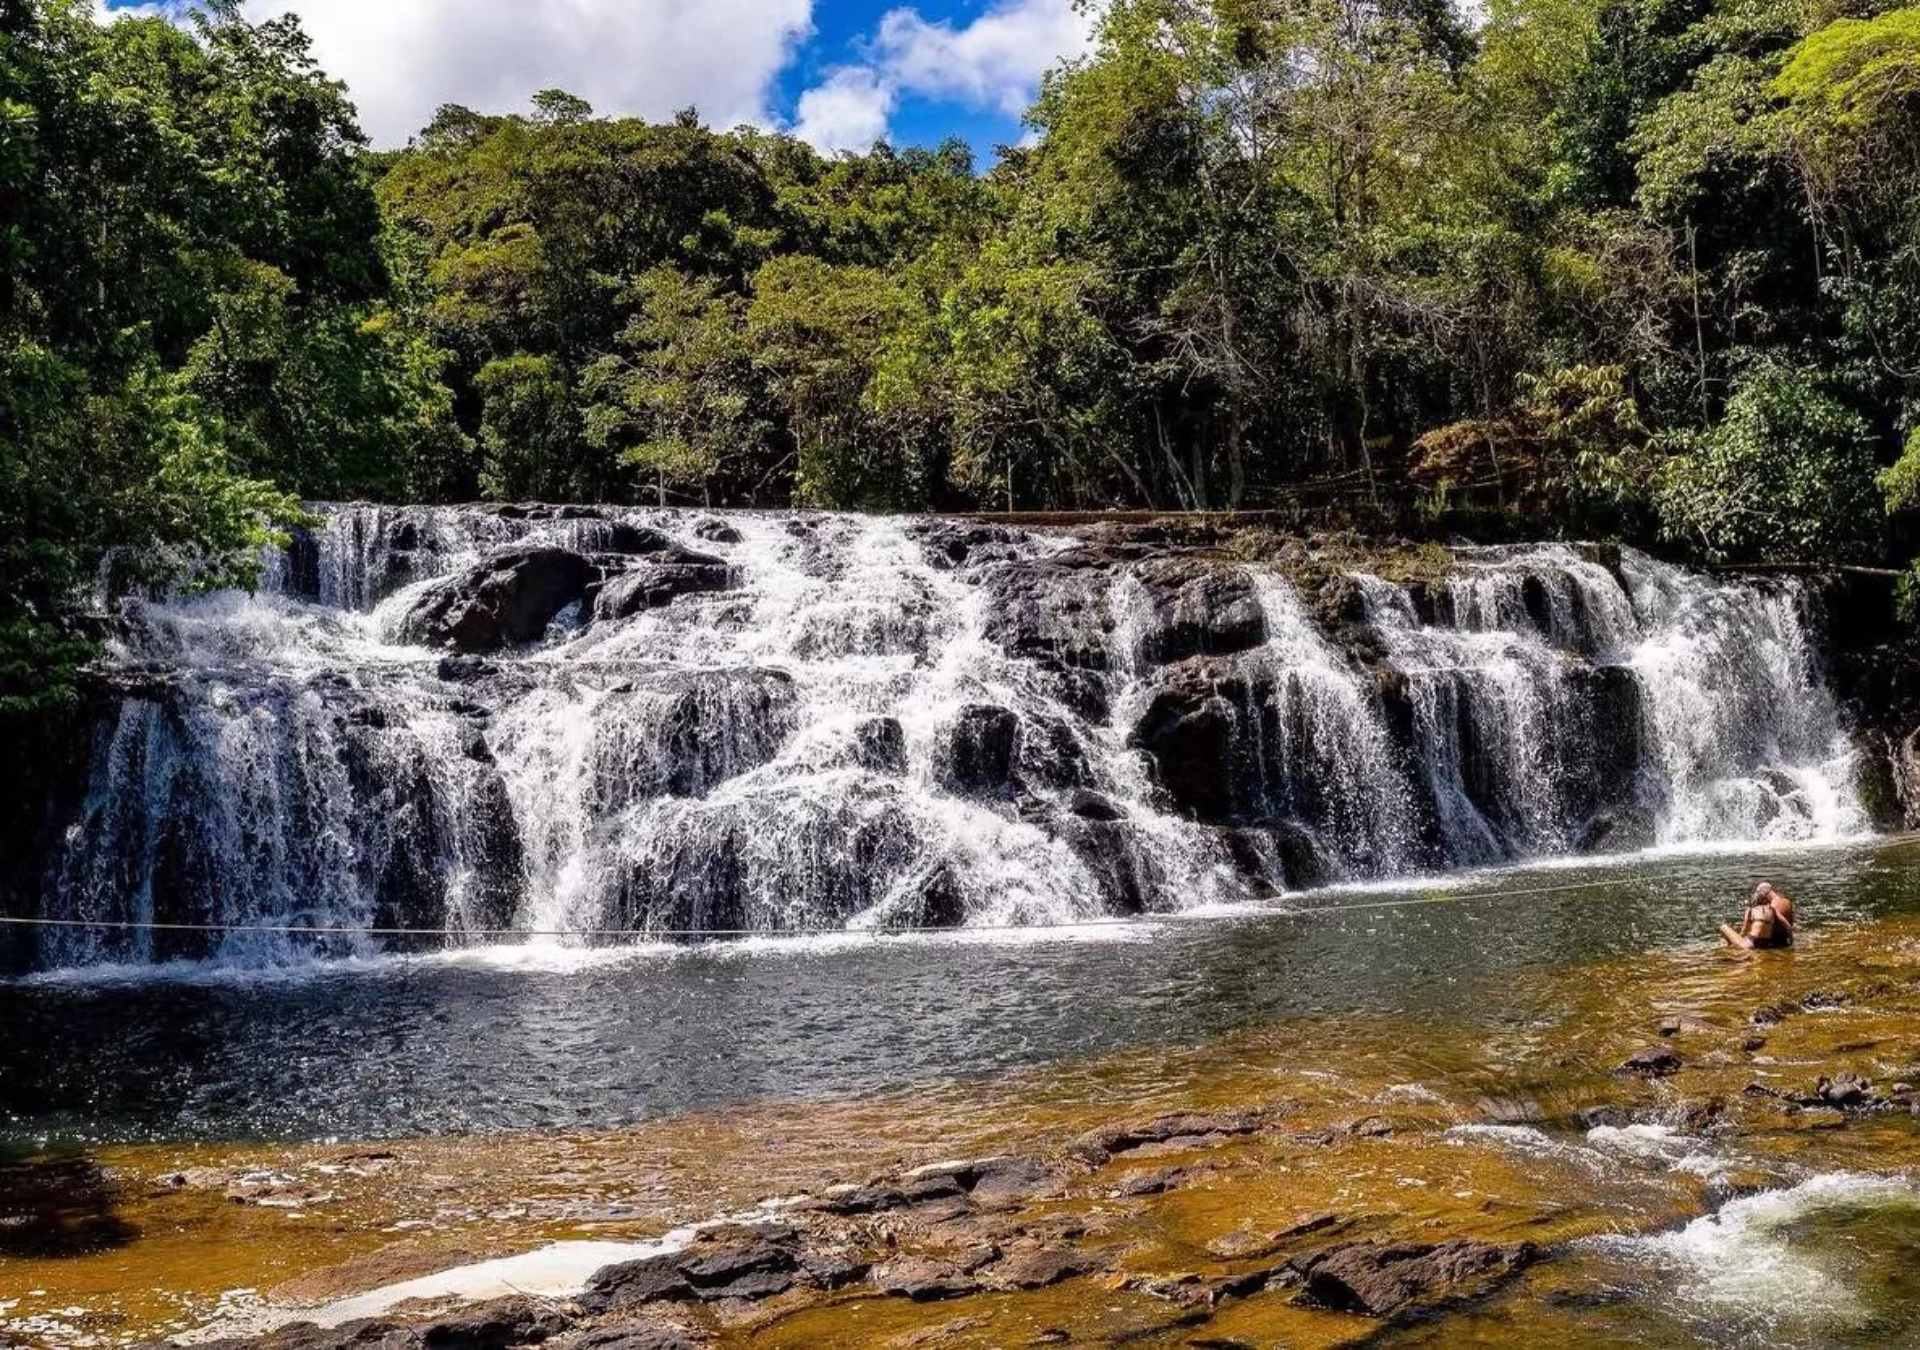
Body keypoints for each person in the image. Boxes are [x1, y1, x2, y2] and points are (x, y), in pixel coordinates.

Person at [1720, 882, 1796, 950]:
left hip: (1751, 945)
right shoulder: (1773, 909)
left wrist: (1739, 938)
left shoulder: (1750, 909)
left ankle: (1730, 948)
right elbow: (1788, 926)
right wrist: (1791, 943)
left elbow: (1744, 931)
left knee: (1723, 927)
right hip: (1765, 944)